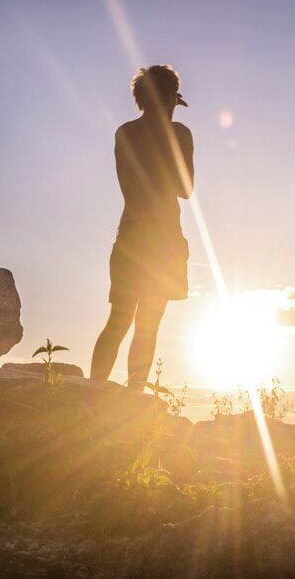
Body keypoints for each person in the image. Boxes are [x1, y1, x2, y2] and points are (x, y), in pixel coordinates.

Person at [90, 65, 194, 390]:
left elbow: (129, 186)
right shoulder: (180, 134)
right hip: (163, 240)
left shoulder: (125, 133)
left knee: (118, 319)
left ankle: (93, 394)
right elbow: (185, 188)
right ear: (169, 97)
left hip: (132, 235)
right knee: (147, 325)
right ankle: (133, 397)